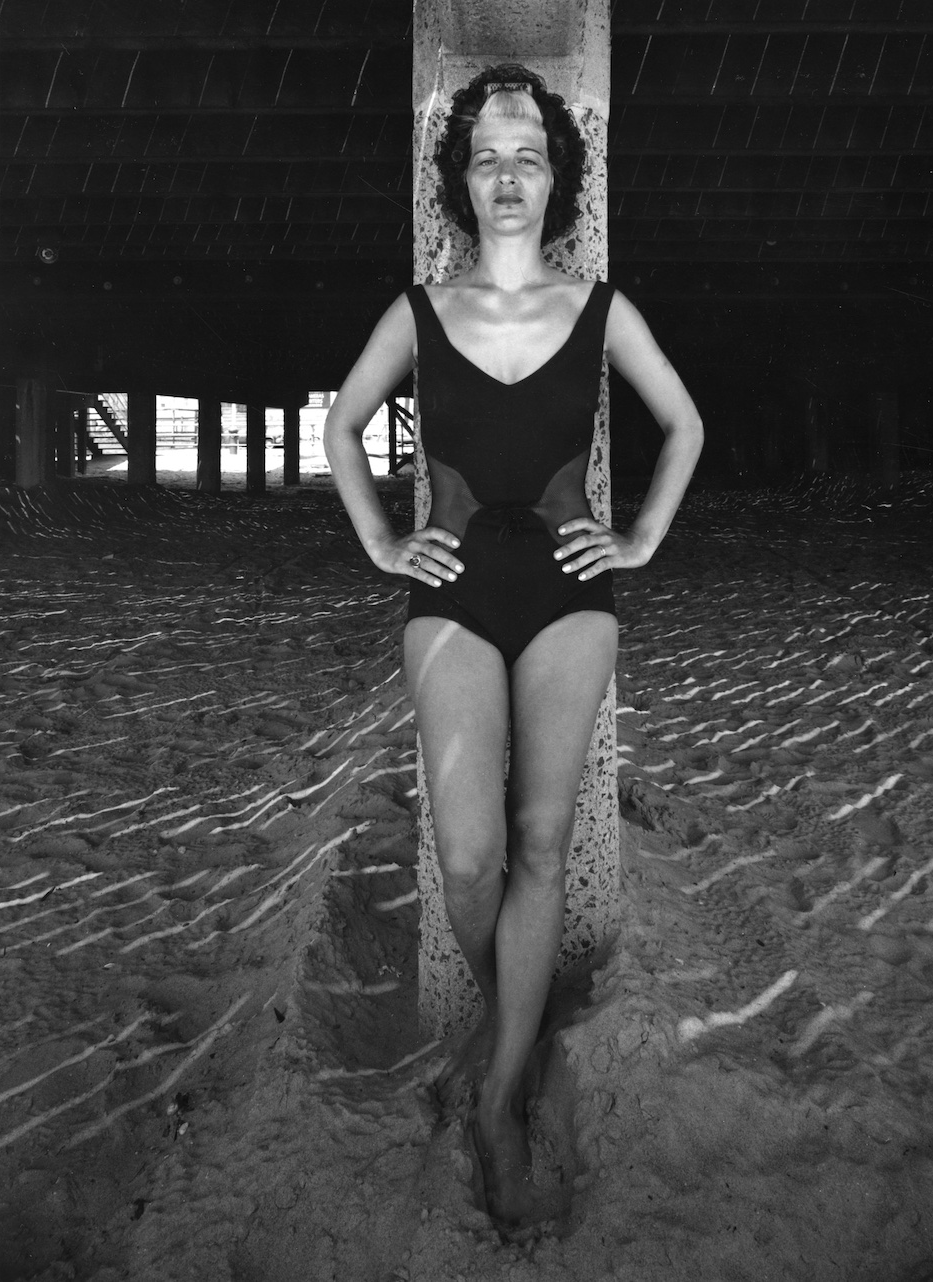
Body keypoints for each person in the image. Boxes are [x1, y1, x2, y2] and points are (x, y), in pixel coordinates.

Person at [323, 63, 703, 1228]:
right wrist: (385, 544)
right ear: (460, 177)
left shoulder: (600, 309)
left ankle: (497, 1100)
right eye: (485, 156)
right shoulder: (420, 311)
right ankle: (517, 1023)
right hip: (450, 596)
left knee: (543, 838)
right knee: (472, 860)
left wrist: (638, 535)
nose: (506, 175)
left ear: (556, 176)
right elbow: (338, 425)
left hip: (569, 597)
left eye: (527, 154)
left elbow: (684, 423)